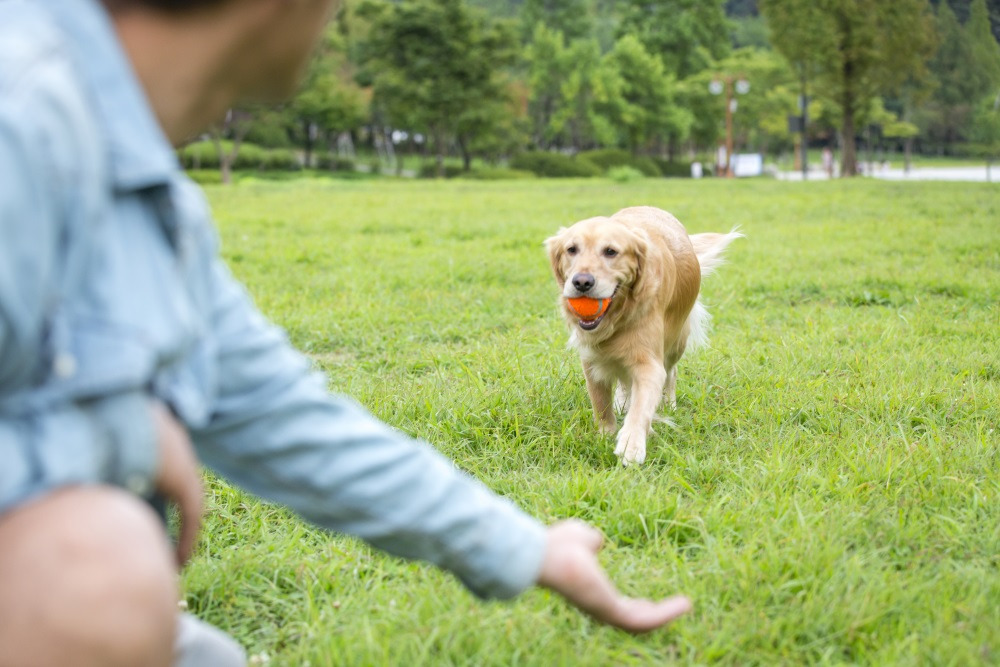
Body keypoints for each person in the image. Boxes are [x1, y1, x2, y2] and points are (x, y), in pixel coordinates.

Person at [0, 0, 692, 665]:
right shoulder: (20, 119)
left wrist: (527, 549)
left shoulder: (148, 186)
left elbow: (276, 410)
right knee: (94, 564)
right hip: (69, 580)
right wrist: (123, 430)